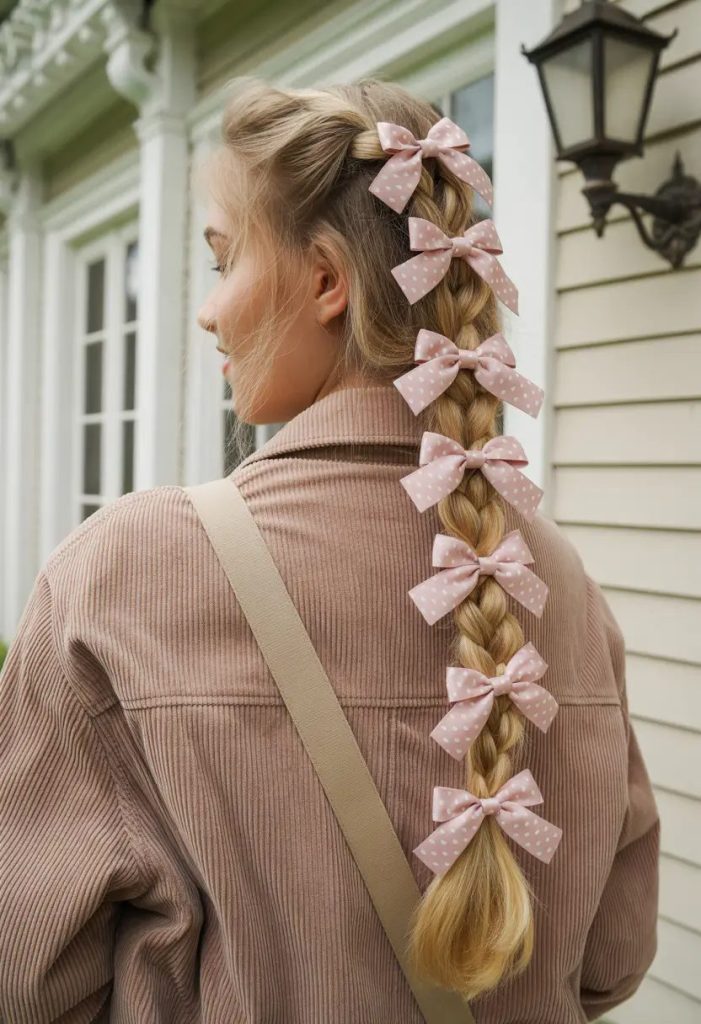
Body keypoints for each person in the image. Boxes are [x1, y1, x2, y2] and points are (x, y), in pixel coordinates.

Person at [0, 76, 660, 1023]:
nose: (207, 310)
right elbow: (610, 962)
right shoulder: (558, 583)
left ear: (323, 281)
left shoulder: (121, 574)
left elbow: (28, 981)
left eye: (222, 260)